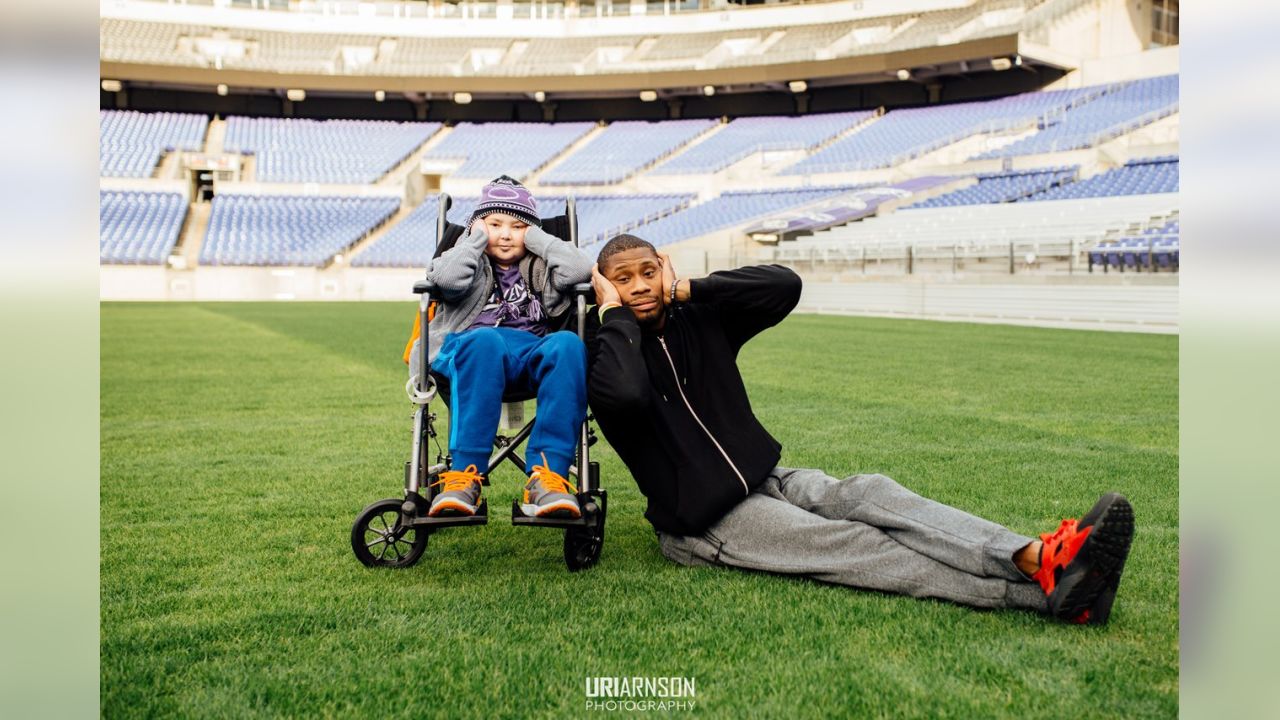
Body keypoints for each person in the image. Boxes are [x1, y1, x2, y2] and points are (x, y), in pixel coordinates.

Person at [585, 233, 1134, 623]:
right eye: (623, 280)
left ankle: (1037, 557)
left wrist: (687, 290)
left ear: (663, 267)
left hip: (768, 476)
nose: (639, 286)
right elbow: (628, 394)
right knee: (856, 545)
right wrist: (616, 319)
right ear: (604, 289)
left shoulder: (698, 317)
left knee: (872, 493)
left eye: (647, 272)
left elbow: (784, 285)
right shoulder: (606, 355)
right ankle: (1049, 596)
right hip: (705, 521)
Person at [406, 175, 593, 519]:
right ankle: (464, 477)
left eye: (517, 226)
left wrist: (537, 238)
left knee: (568, 344)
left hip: (529, 351)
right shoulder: (467, 257)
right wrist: (474, 239)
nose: (506, 234)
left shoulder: (539, 263)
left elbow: (581, 269)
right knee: (486, 341)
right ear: (479, 226)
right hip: (467, 349)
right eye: (495, 224)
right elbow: (445, 279)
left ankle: (547, 479)